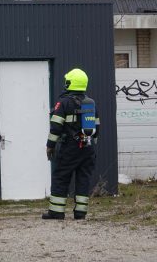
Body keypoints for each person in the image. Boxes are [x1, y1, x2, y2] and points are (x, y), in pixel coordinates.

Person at [43, 68, 100, 220]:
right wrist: (91, 147)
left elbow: (55, 127)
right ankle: (80, 213)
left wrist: (50, 146)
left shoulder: (63, 103)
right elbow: (97, 128)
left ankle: (56, 212)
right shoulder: (91, 103)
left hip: (70, 147)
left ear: (70, 83)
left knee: (61, 177)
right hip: (88, 148)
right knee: (84, 178)